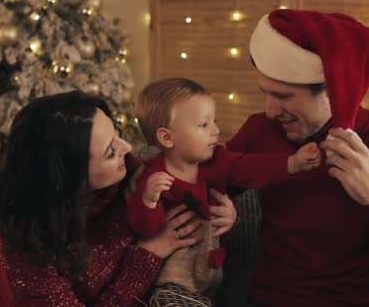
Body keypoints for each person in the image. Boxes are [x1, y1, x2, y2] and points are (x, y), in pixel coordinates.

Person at [225, 9, 369, 306]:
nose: (269, 110)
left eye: (283, 96)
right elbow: (203, 180)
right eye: (266, 94)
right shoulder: (261, 130)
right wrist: (226, 209)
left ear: (334, 90)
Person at [0, 91, 239, 306]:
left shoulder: (128, 170)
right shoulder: (26, 246)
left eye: (118, 134)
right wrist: (148, 254)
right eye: (110, 151)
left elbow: (195, 180)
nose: (127, 148)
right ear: (70, 178)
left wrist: (224, 210)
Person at [127, 78, 320, 300]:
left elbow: (252, 167)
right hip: (172, 282)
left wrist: (291, 164)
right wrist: (148, 201)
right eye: (204, 125)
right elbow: (143, 228)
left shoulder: (216, 161)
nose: (216, 131)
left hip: (213, 273)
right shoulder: (153, 178)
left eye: (214, 121)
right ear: (167, 138)